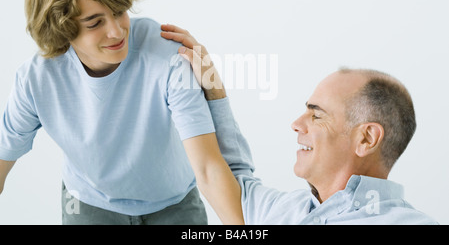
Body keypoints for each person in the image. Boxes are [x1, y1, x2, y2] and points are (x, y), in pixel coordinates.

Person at [0, 0, 243, 225]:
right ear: (60, 29)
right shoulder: (36, 79)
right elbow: (3, 155)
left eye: (119, 12)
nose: (116, 31)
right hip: (88, 205)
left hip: (175, 203)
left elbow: (209, 168)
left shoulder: (168, 56)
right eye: (94, 23)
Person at [160, 24, 438, 224]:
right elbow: (227, 175)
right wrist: (212, 86)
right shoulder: (279, 211)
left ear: (366, 139)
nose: (296, 124)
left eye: (317, 115)